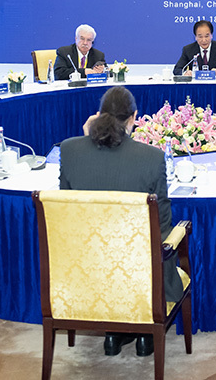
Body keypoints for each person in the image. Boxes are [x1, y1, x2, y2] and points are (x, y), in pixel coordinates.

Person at [59, 86, 181, 358]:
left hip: (87, 266)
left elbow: (67, 207)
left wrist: (85, 137)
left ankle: (113, 334)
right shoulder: (151, 157)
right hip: (140, 271)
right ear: (134, 117)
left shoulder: (69, 150)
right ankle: (143, 333)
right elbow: (162, 222)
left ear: (98, 114)